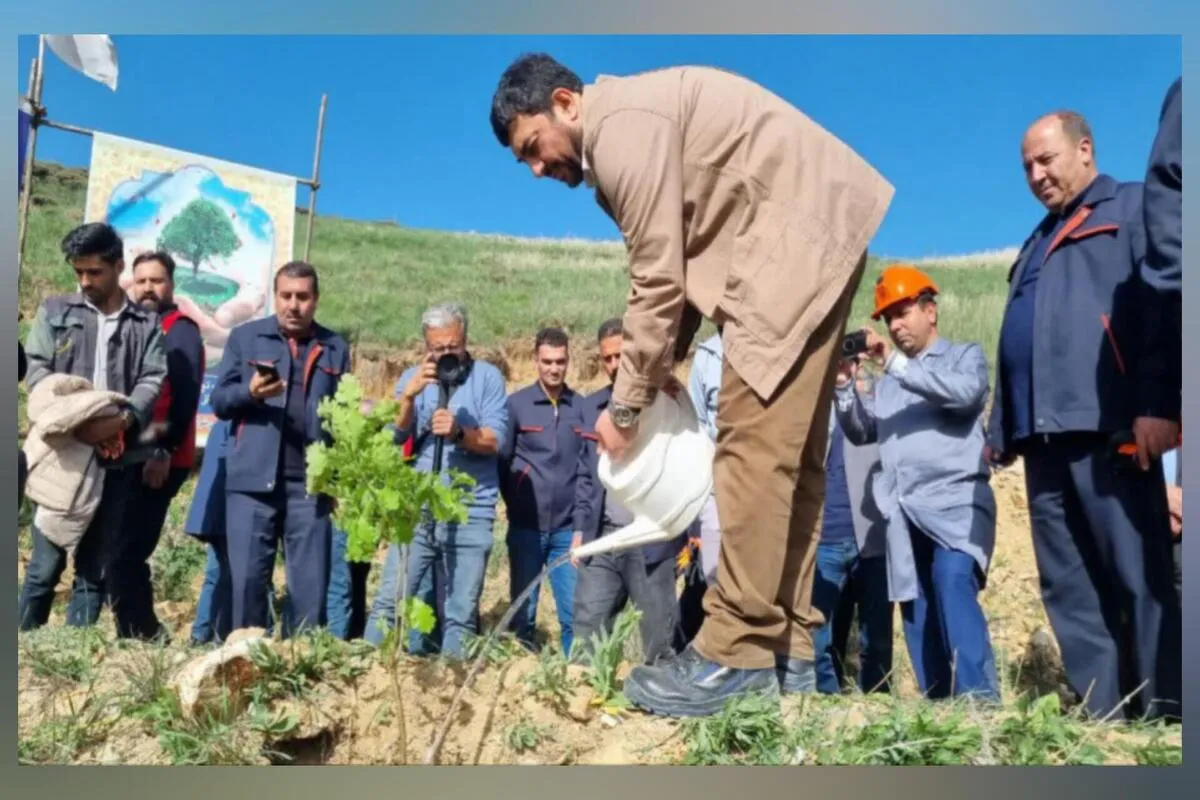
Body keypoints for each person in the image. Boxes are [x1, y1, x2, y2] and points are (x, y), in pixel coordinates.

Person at [491, 53, 894, 717]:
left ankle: (734, 653)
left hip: (787, 234)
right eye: (523, 161)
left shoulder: (619, 129)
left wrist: (624, 407)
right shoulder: (640, 116)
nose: (538, 167)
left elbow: (656, 277)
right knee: (791, 456)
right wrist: (661, 371)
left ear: (565, 102)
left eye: (534, 147)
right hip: (818, 222)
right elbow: (678, 275)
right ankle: (784, 652)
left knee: (750, 446)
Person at [986, 111, 1181, 722]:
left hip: (1111, 424)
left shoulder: (1132, 207)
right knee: (1068, 584)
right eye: (1027, 167)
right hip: (1041, 437)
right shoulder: (1036, 241)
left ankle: (1166, 714)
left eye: (1046, 160)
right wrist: (1001, 429)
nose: (1036, 174)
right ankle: (1106, 718)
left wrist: (1160, 403)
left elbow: (1161, 306)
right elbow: (1017, 339)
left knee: (1136, 573)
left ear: (1085, 149)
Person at [837, 265, 999, 702]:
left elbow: (964, 395)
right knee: (917, 608)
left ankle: (979, 704)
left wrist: (893, 362)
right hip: (904, 516)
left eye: (902, 312)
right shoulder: (890, 382)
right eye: (888, 318)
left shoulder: (962, 357)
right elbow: (862, 430)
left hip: (955, 506)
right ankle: (940, 709)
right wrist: (844, 388)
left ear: (931, 311)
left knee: (950, 582)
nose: (893, 325)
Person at [19, 222, 167, 632]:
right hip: (62, 457)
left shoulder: (145, 324)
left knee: (93, 570)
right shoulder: (55, 312)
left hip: (118, 459)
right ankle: (22, 651)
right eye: (78, 272)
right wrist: (74, 421)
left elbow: (152, 377)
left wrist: (123, 420)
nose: (85, 281)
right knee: (44, 566)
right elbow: (37, 372)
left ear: (118, 266)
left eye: (94, 272)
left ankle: (75, 656)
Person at [363, 302, 509, 660]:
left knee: (460, 614)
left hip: (470, 509)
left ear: (465, 339)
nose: (446, 354)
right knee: (389, 600)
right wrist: (409, 397)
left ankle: (455, 689)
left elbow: (496, 441)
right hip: (420, 508)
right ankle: (364, 678)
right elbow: (395, 439)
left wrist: (460, 433)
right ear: (426, 345)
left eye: (453, 346)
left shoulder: (487, 377)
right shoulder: (414, 378)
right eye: (437, 348)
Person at [210, 261, 350, 634]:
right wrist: (249, 393)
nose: (293, 305)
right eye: (286, 296)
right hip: (251, 483)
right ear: (275, 297)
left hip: (310, 487)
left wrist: (336, 478)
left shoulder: (335, 347)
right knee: (248, 587)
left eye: (302, 297)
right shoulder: (246, 338)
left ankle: (298, 670)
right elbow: (220, 402)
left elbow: (343, 419)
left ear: (316, 300)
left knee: (310, 591)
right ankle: (243, 668)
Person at [570, 318, 685, 666]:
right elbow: (584, 475)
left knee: (658, 636)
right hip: (603, 537)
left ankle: (659, 705)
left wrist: (687, 534)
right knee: (587, 630)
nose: (614, 365)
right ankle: (579, 703)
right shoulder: (591, 408)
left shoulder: (667, 404)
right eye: (607, 358)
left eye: (621, 355)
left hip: (649, 538)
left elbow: (684, 470)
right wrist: (579, 531)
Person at [112, 251, 204, 641]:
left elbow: (183, 396)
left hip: (159, 458)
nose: (148, 288)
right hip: (129, 456)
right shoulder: (137, 326)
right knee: (116, 549)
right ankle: (130, 634)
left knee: (128, 550)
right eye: (141, 280)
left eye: (157, 280)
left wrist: (161, 452)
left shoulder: (179, 330)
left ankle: (146, 636)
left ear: (171, 284)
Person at [499, 327, 585, 653]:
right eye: (547, 361)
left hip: (567, 532)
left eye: (560, 361)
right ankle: (524, 684)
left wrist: (581, 523)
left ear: (568, 362)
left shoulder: (581, 408)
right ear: (536, 360)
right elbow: (502, 462)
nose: (554, 368)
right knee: (524, 613)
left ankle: (574, 678)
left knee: (574, 615)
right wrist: (515, 503)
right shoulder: (517, 405)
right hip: (526, 529)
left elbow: (587, 469)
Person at [812, 370, 892, 695]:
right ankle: (825, 703)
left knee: (877, 640)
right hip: (824, 538)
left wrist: (861, 383)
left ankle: (877, 708)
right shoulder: (813, 400)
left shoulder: (878, 395)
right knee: (816, 636)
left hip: (872, 538)